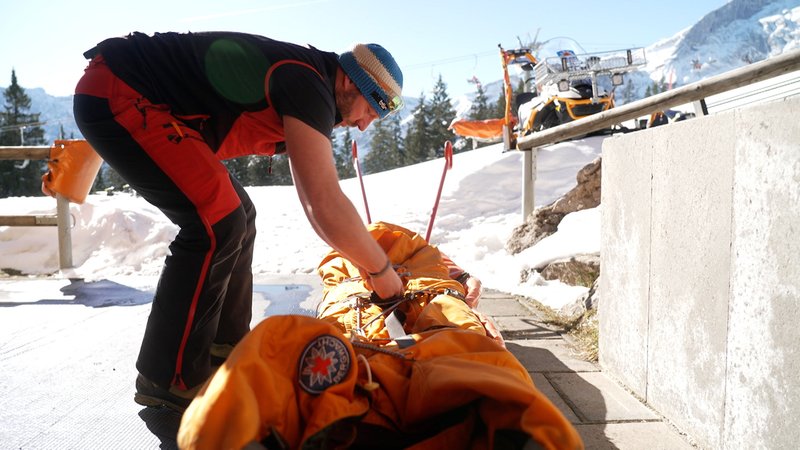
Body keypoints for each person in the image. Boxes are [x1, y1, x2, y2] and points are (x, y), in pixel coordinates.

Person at [66, 31, 406, 412]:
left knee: (238, 214)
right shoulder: (309, 82)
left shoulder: (312, 83)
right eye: (371, 107)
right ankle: (168, 375)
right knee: (218, 220)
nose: (364, 125)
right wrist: (380, 269)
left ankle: (222, 347)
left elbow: (323, 201)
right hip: (119, 92)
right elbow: (322, 202)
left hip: (142, 100)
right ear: (348, 80)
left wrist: (370, 263)